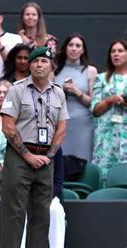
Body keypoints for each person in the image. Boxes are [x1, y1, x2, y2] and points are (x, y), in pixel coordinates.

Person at [0, 47, 69, 247]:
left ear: (52, 66)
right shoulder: (16, 89)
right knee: (14, 215)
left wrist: (50, 155)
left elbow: (62, 128)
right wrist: (27, 155)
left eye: (44, 61)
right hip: (19, 157)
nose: (39, 65)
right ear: (29, 65)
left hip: (46, 158)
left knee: (42, 216)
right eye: (35, 61)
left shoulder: (58, 93)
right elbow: (7, 127)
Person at [54, 33, 98, 163]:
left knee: (83, 160)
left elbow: (93, 103)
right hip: (60, 123)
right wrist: (60, 90)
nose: (74, 48)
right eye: (71, 45)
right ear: (65, 48)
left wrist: (76, 91)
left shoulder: (91, 71)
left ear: (83, 50)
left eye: (78, 46)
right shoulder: (54, 69)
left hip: (83, 124)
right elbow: (47, 99)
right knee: (60, 162)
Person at [91, 39, 127, 187]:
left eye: (120, 51)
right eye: (113, 51)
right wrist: (109, 100)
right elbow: (95, 110)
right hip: (105, 137)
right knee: (105, 172)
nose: (116, 54)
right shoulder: (101, 78)